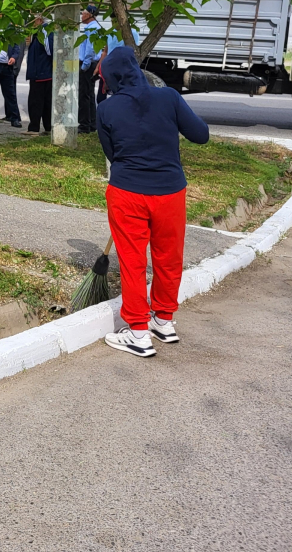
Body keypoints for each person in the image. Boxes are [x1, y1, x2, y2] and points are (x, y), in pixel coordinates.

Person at [98, 47, 209, 358]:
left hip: (128, 194)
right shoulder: (169, 97)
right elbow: (201, 135)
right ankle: (164, 320)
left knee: (133, 263)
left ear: (111, 79)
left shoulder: (106, 109)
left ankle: (138, 333)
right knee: (168, 257)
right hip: (170, 193)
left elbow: (113, 155)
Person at [24, 17, 54, 135]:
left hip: (41, 72)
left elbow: (49, 50)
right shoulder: (38, 33)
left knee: (36, 102)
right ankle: (47, 127)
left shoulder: (44, 32)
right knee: (45, 101)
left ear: (39, 20)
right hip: (41, 72)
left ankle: (34, 127)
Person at [78, 4, 101, 134]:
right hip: (92, 63)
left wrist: (84, 66)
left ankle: (84, 125)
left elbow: (90, 49)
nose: (82, 15)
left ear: (89, 15)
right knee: (90, 94)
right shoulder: (94, 27)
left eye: (83, 13)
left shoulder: (91, 29)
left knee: (84, 95)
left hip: (88, 63)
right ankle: (92, 123)